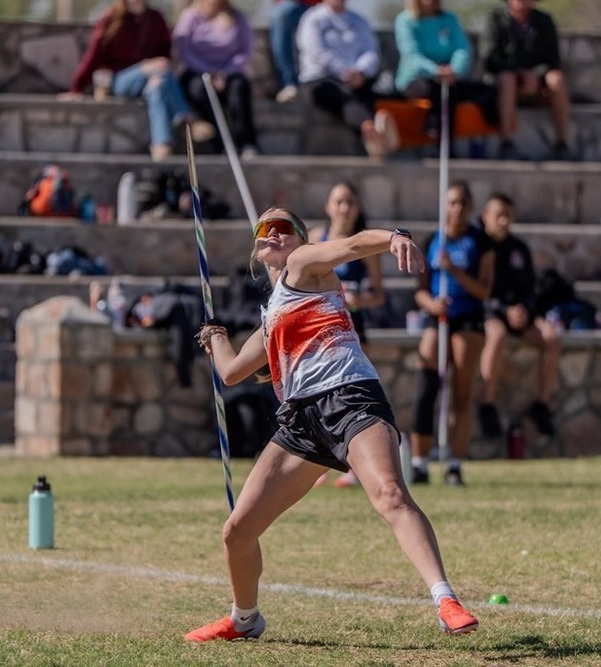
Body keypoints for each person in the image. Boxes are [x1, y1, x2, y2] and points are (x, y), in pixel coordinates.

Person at [184, 207, 480, 641]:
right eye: (263, 229)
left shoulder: (304, 265)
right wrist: (215, 336)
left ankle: (446, 600)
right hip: (301, 421)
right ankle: (244, 619)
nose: (272, 234)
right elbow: (230, 373)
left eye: (282, 228)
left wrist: (394, 236)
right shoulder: (272, 319)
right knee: (237, 531)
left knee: (390, 494)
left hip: (350, 397)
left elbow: (355, 244)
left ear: (301, 241)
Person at [410, 182, 494, 486]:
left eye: (462, 203)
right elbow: (419, 292)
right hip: (438, 318)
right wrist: (431, 304)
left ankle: (455, 464)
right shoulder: (434, 240)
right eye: (452, 203)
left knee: (462, 393)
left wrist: (455, 271)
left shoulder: (479, 242)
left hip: (467, 320)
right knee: (425, 388)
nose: (456, 209)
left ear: (469, 207)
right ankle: (420, 463)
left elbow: (484, 289)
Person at [62, 0, 215, 162]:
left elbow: (165, 54)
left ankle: (161, 145)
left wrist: (154, 71)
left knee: (156, 89)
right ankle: (186, 119)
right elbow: (93, 56)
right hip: (119, 80)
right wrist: (76, 88)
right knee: (158, 69)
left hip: (151, 79)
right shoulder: (111, 18)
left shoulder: (156, 19)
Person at [308, 181, 386, 488]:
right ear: (328, 206)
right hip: (320, 328)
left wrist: (359, 299)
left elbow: (379, 294)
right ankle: (318, 463)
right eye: (338, 201)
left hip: (353, 328)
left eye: (349, 202)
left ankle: (356, 465)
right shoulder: (315, 239)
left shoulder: (362, 246)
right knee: (318, 395)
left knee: (355, 397)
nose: (344, 208)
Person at [477, 192, 561, 439]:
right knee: (498, 334)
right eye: (498, 216)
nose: (504, 221)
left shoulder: (519, 248)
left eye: (508, 216)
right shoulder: (478, 246)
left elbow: (529, 288)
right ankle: (488, 403)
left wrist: (524, 309)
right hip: (488, 313)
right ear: (486, 217)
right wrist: (504, 311)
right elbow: (480, 290)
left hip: (520, 315)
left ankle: (542, 405)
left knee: (552, 337)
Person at [296, 0, 399, 158]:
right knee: (345, 97)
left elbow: (371, 51)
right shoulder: (312, 19)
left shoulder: (359, 21)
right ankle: (370, 129)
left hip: (357, 78)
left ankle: (373, 134)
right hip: (320, 79)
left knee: (372, 91)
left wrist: (361, 71)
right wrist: (344, 72)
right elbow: (317, 52)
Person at [394, 0, 497, 152]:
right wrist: (435, 71)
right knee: (441, 90)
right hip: (415, 79)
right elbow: (411, 55)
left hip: (449, 78)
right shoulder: (405, 20)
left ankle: (447, 142)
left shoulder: (449, 19)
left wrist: (455, 69)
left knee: (479, 91)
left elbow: (462, 48)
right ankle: (440, 140)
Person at [483, 0, 572, 161]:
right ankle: (506, 144)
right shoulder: (496, 19)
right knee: (507, 79)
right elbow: (490, 59)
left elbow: (553, 60)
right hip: (507, 83)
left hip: (537, 85)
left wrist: (536, 76)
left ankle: (561, 144)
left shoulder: (544, 21)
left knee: (556, 79)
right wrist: (518, 73)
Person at [173, 0, 259, 157]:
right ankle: (220, 144)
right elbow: (184, 50)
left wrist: (224, 73)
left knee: (239, 87)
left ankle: (245, 142)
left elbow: (245, 51)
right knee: (198, 90)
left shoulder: (237, 17)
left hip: (229, 73)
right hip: (197, 72)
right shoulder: (190, 16)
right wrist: (209, 72)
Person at [268, 0, 322, 103]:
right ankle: (290, 84)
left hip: (314, 5)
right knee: (280, 14)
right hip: (288, 5)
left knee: (283, 13)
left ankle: (290, 82)